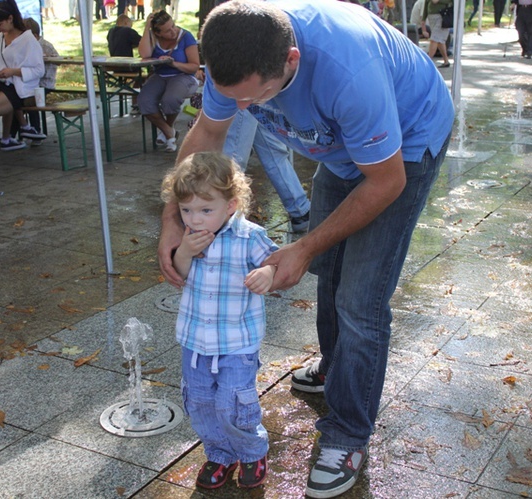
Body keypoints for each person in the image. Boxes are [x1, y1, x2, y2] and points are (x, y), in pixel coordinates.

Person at [157, 1, 454, 497]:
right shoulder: (237, 49)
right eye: (236, 99)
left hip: (404, 148)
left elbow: (385, 181)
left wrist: (304, 246)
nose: (246, 111)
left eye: (259, 98)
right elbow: (208, 132)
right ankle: (338, 367)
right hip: (339, 152)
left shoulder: (347, 71)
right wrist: (170, 218)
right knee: (330, 274)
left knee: (360, 297)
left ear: (291, 60)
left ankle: (347, 432)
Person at [160, 151, 277, 490]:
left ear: (231, 205)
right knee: (200, 402)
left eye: (205, 210)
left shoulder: (249, 237)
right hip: (196, 341)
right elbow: (181, 274)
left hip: (237, 343)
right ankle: (220, 454)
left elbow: (276, 263)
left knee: (234, 401)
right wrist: (183, 252)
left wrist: (268, 272)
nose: (194, 219)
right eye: (186, 210)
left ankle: (252, 451)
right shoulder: (189, 235)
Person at [0, 0, 46, 153]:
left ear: (10, 18)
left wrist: (13, 71)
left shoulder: (28, 40)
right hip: (3, 81)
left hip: (19, 88)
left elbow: (39, 70)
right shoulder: (0, 38)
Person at [224, 110, 311, 233]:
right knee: (234, 160)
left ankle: (300, 210)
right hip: (241, 95)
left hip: (253, 96)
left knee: (272, 150)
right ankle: (224, 219)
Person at [138, 10, 199, 152]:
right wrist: (147, 27)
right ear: (158, 33)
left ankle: (167, 132)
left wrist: (174, 64)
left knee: (170, 100)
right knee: (144, 101)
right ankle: (169, 131)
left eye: (173, 26)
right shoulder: (154, 37)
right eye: (167, 30)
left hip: (183, 75)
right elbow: (145, 54)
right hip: (160, 76)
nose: (173, 31)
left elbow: (194, 66)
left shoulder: (185, 36)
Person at [22, 17, 58, 145]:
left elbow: (56, 61)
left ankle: (35, 130)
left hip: (44, 83)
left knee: (31, 99)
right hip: (31, 82)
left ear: (35, 35)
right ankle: (13, 133)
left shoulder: (45, 46)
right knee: (15, 98)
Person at [422, 0, 452, 68]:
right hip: (431, 17)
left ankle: (428, 61)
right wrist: (423, 19)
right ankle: (446, 61)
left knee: (434, 39)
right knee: (440, 41)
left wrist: (439, 1)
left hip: (442, 16)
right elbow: (426, 3)